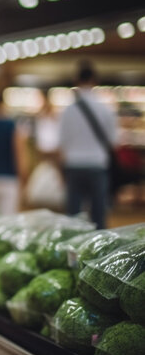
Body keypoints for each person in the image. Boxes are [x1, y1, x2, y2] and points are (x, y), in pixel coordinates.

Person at [58, 60, 117, 229]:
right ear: (95, 81)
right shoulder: (105, 109)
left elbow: (62, 142)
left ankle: (73, 253)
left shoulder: (68, 111)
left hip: (74, 165)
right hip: (97, 165)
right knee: (99, 214)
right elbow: (113, 141)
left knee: (73, 218)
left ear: (76, 80)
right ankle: (100, 253)